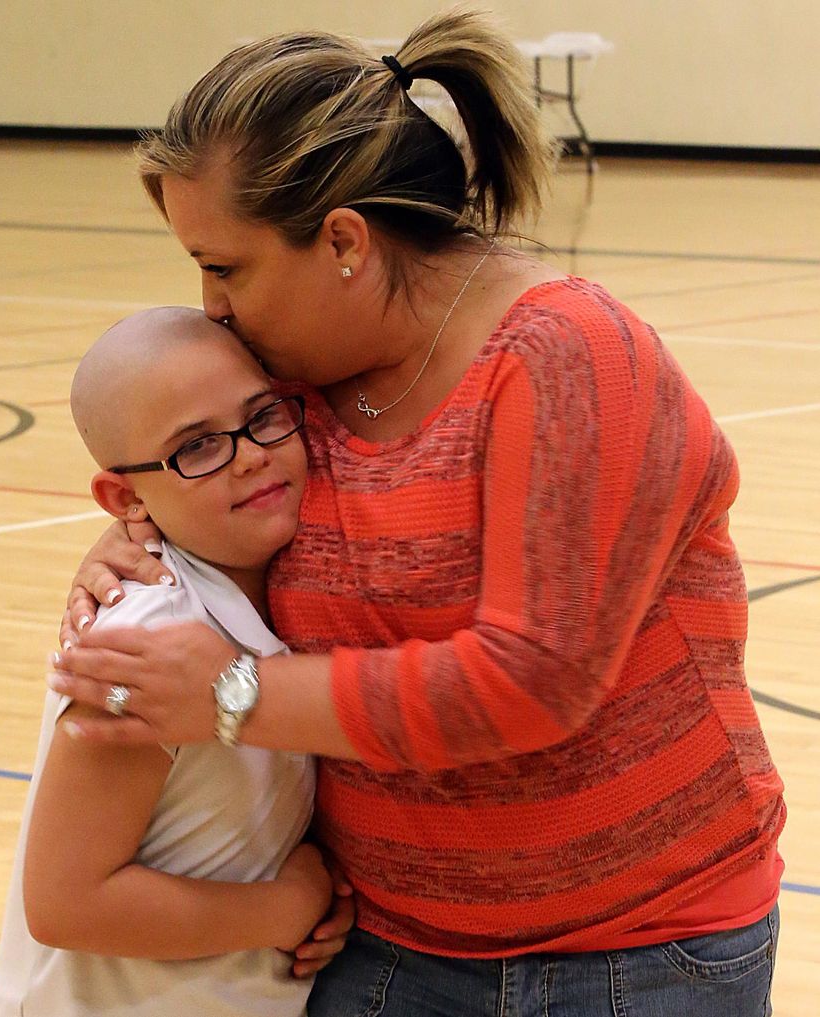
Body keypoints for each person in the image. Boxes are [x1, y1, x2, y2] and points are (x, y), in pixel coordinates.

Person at [49, 10, 785, 1016]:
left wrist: (233, 696)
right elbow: (214, 481)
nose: (211, 304)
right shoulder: (284, 378)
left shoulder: (565, 354)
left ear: (343, 240)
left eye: (225, 266)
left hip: (639, 958)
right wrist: (138, 535)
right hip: (384, 948)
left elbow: (530, 683)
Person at [0, 307, 350, 1017]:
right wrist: (284, 907)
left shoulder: (268, 594)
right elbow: (67, 902)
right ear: (124, 496)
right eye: (199, 446)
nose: (249, 454)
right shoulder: (146, 639)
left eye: (262, 417)